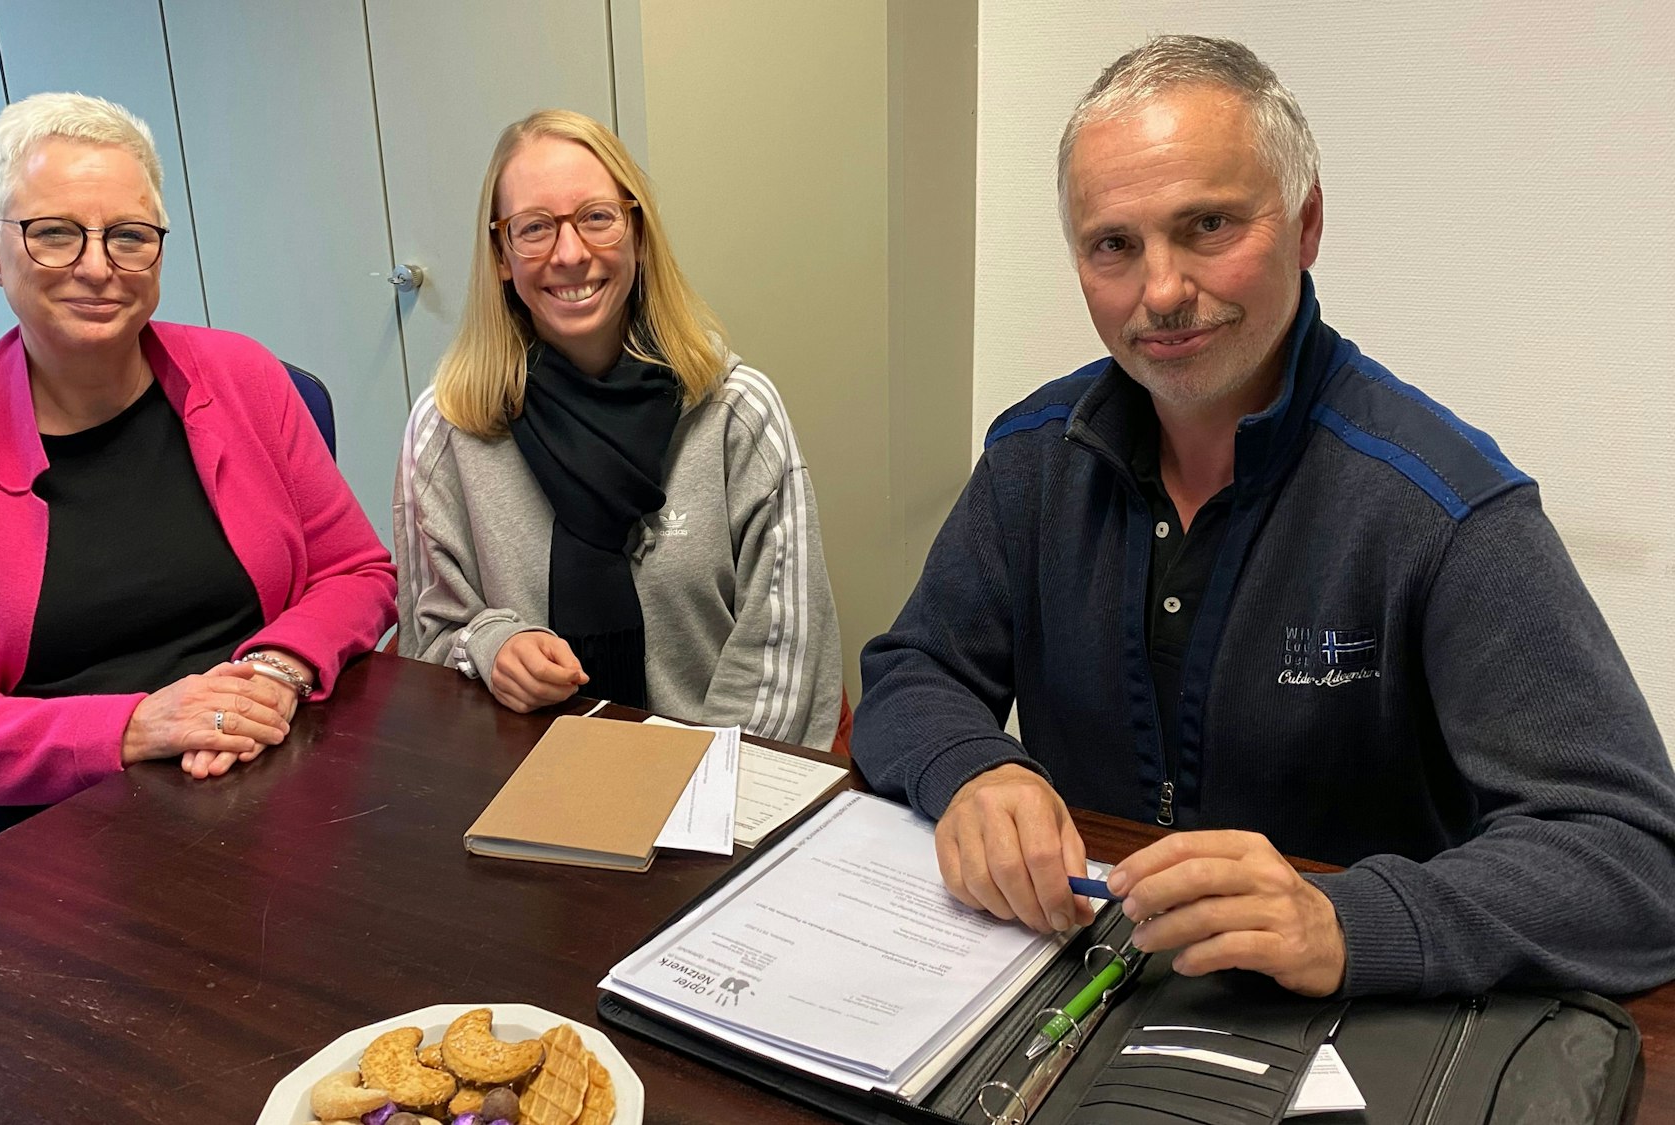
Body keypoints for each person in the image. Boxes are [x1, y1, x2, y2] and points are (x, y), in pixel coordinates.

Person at [853, 36, 1675, 998]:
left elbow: (1633, 857)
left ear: (1306, 223)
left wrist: (1346, 920)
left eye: (1208, 225)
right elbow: (911, 671)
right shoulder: (1034, 458)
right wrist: (974, 768)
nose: (1162, 291)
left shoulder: (1442, 507)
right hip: (1076, 978)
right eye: (1115, 245)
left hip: (1339, 1026)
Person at [0, 93, 396, 904]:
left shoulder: (244, 378)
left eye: (129, 236)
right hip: (39, 828)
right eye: (55, 232)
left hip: (255, 775)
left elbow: (356, 570)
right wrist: (135, 725)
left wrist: (273, 670)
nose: (98, 267)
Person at [395, 109, 843, 749]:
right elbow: (428, 644)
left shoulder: (735, 415)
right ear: (501, 256)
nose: (570, 254)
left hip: (712, 779)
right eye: (534, 228)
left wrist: (701, 790)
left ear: (638, 234)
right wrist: (491, 645)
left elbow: (784, 658)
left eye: (597, 218)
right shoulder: (447, 429)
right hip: (517, 775)